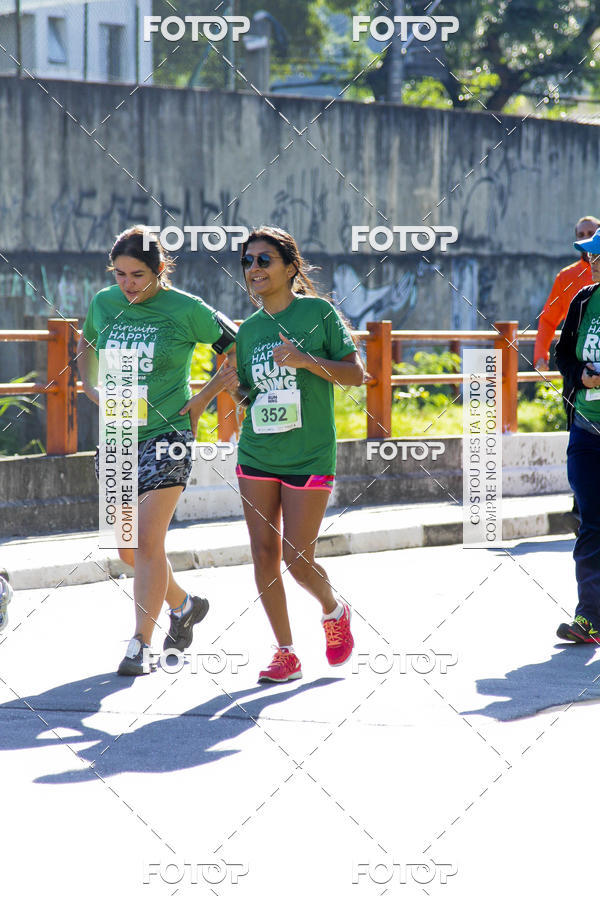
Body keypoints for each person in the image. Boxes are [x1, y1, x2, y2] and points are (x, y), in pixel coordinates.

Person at [77, 226, 238, 675]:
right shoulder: (104, 302)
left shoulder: (186, 309)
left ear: (161, 269)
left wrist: (204, 398)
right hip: (117, 437)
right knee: (131, 552)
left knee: (148, 541)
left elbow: (235, 345)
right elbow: (87, 341)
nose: (127, 283)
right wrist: (88, 385)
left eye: (138, 274)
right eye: (121, 273)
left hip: (168, 436)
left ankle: (139, 645)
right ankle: (185, 606)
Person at [230, 225, 365, 683]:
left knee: (296, 558)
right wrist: (243, 397)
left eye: (263, 260)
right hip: (257, 453)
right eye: (247, 261)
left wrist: (306, 360)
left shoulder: (318, 314)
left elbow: (355, 375)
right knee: (263, 552)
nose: (254, 269)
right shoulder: (248, 330)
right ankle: (285, 652)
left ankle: (333, 609)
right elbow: (251, 394)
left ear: (290, 267)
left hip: (309, 456)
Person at [556, 227, 600, 643]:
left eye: (597, 256)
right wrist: (581, 379)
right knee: (591, 521)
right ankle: (589, 618)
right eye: (590, 257)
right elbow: (562, 354)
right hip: (586, 428)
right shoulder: (584, 300)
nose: (592, 264)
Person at [533, 216, 599, 371]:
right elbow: (548, 319)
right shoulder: (566, 277)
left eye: (591, 233)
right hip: (575, 363)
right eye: (581, 234)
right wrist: (540, 355)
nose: (586, 237)